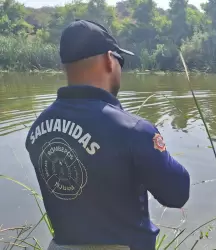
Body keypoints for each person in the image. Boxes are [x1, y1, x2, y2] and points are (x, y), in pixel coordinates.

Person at [24, 19, 190, 250]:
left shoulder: (38, 128)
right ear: (109, 60)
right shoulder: (134, 130)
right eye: (120, 60)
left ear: (65, 67)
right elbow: (177, 193)